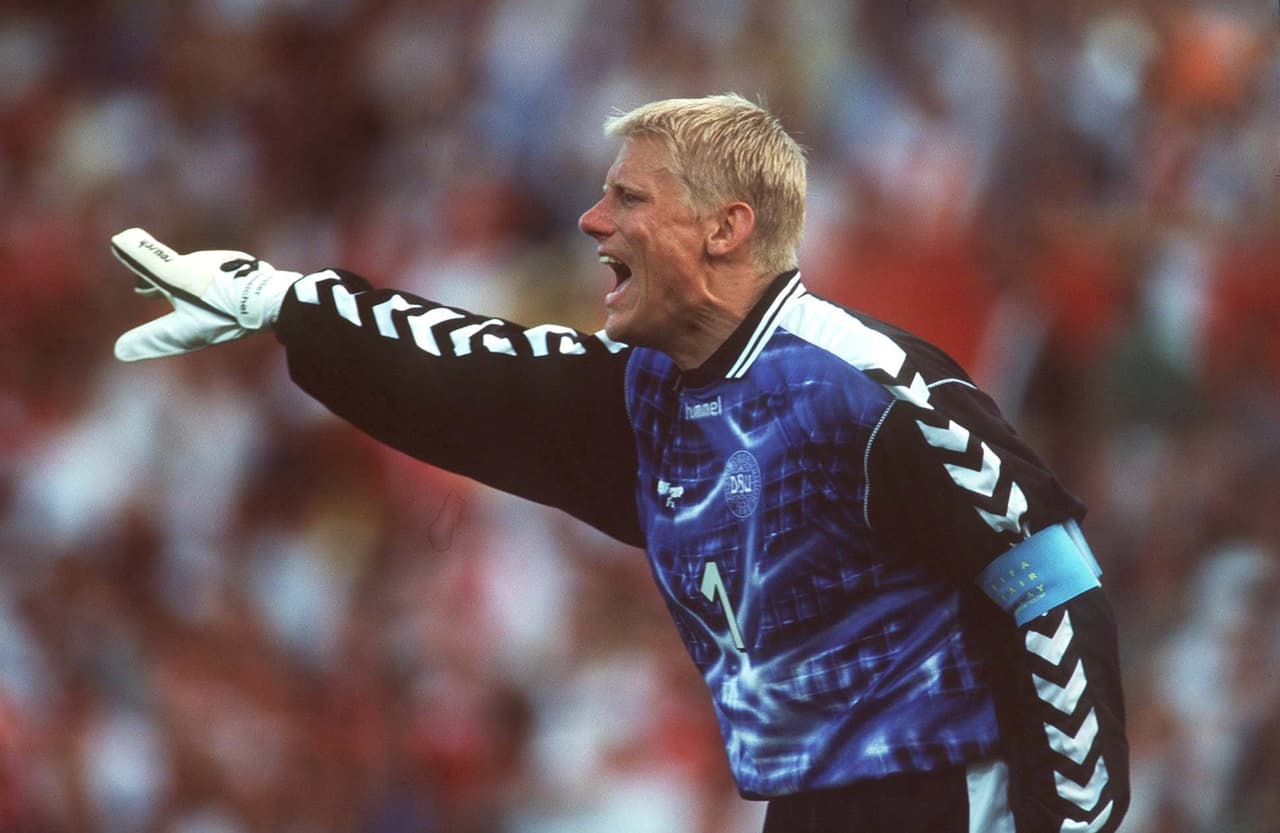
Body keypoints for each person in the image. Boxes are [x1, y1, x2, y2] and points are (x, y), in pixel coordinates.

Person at [109, 93, 1129, 833]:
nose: (594, 222)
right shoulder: (653, 393)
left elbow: (1051, 582)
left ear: (727, 227)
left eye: (629, 199)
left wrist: (1067, 824)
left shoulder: (868, 388)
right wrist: (281, 299)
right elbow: (481, 374)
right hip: (807, 806)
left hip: (952, 797)